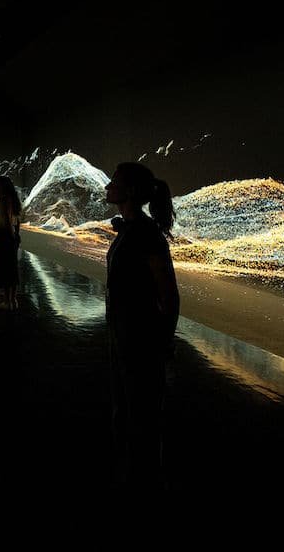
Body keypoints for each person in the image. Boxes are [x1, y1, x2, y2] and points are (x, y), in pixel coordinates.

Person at [104, 162, 180, 488]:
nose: (107, 186)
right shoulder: (133, 229)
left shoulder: (147, 234)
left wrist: (163, 343)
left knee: (142, 419)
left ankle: (143, 485)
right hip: (124, 336)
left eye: (115, 182)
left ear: (130, 192)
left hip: (140, 340)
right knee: (128, 413)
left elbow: (170, 296)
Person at [0, 175, 22, 311]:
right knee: (12, 267)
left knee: (4, 268)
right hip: (9, 236)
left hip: (4, 237)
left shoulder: (4, 199)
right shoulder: (13, 199)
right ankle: (13, 300)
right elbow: (17, 220)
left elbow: (8, 220)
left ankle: (7, 302)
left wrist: (11, 236)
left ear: (2, 187)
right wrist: (16, 235)